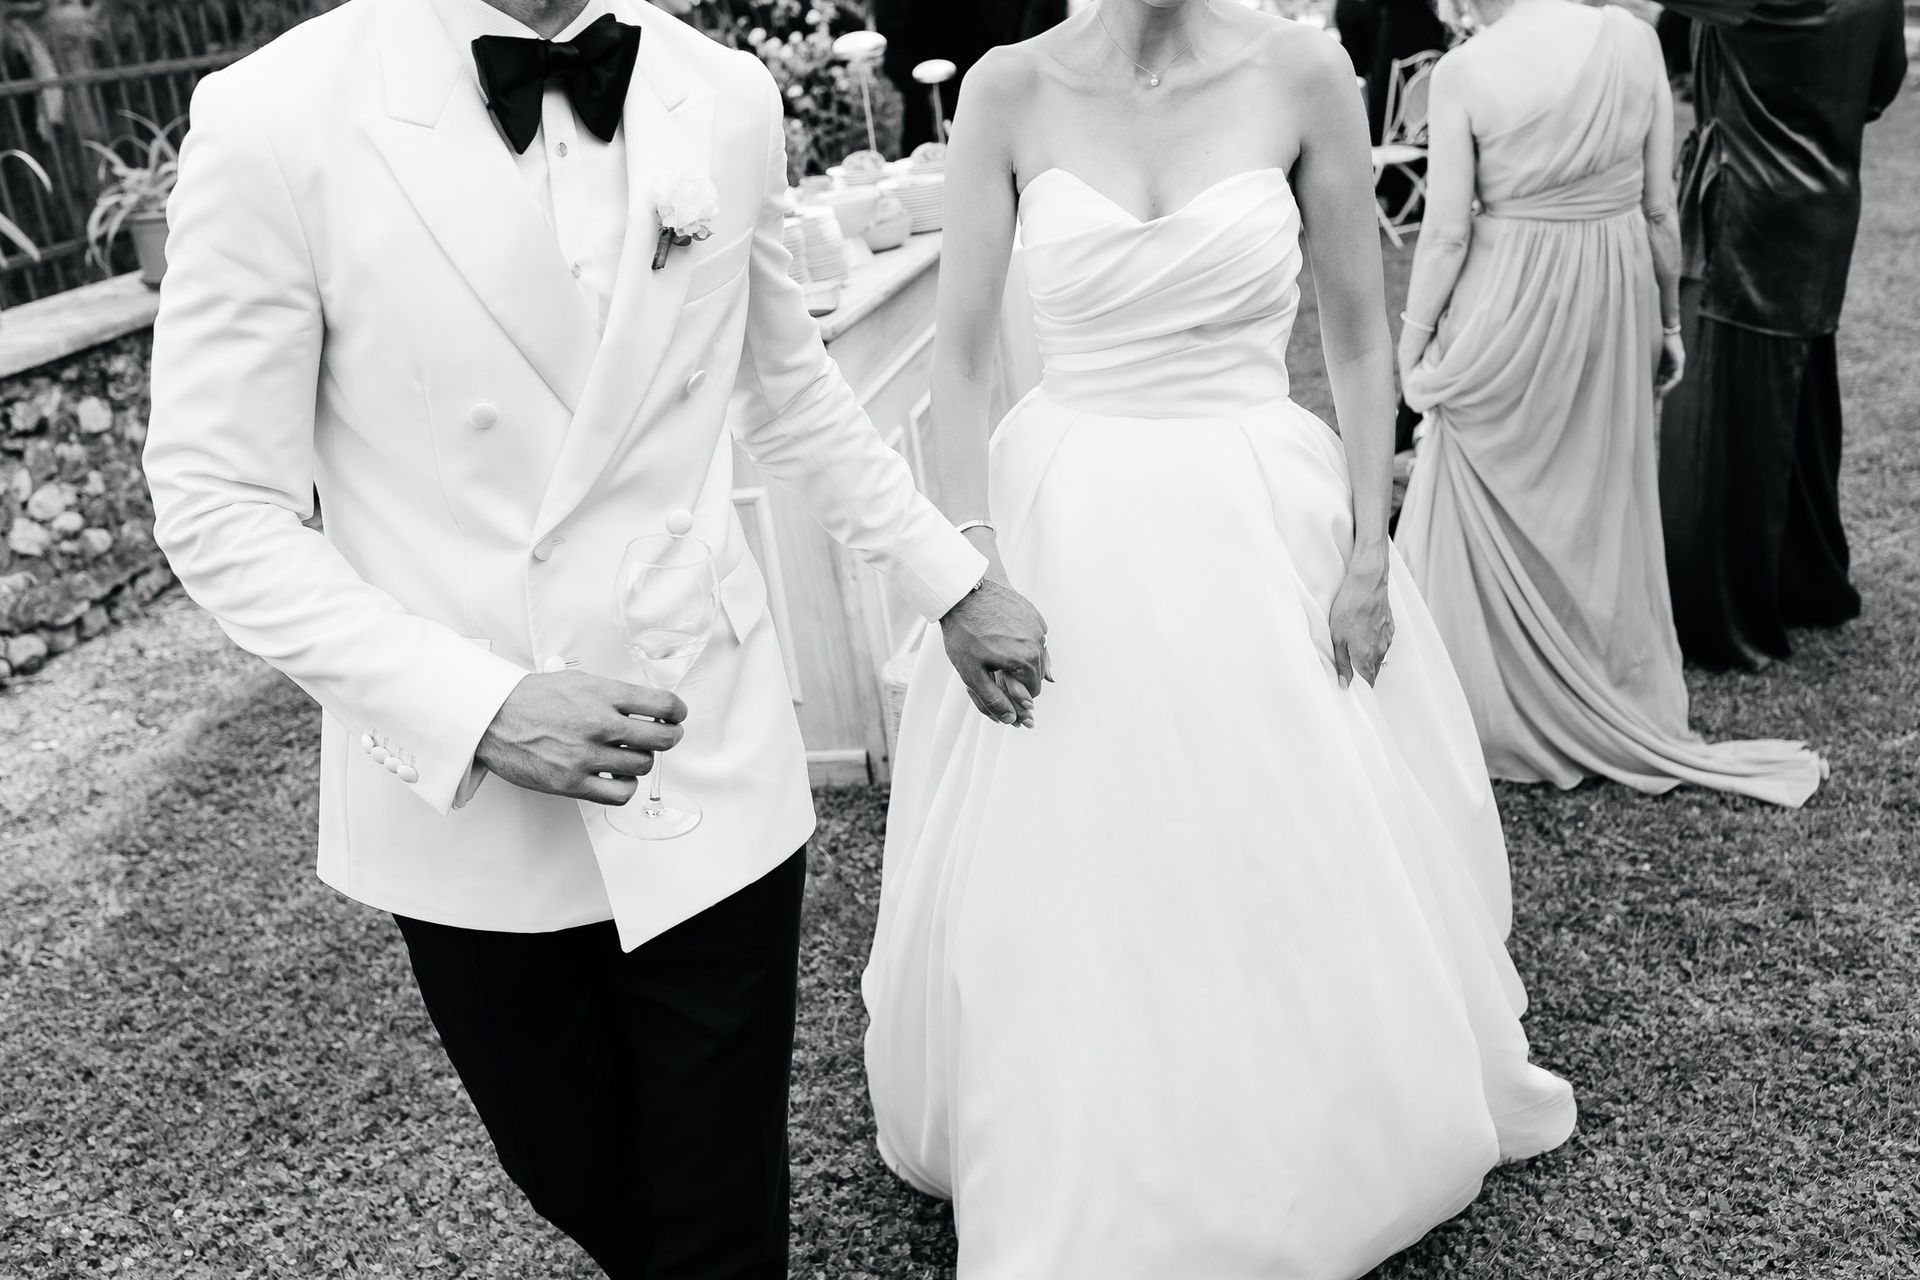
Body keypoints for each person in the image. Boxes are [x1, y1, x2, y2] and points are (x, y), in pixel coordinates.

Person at [142, 0, 1050, 1273]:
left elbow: (788, 393)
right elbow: (216, 498)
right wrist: (478, 704)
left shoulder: (723, 94)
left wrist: (951, 581)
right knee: (579, 1172)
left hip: (704, 738)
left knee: (721, 1209)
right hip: (468, 794)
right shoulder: (277, 117)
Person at [862, 2, 1576, 1275]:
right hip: (1062, 511)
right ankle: (1090, 1130)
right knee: (1079, 842)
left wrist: (1369, 547)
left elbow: (1358, 333)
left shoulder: (1302, 68)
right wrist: (972, 565)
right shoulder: (1008, 90)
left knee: (1280, 823)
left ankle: (1307, 1118)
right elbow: (958, 363)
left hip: (1260, 501)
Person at [1391, 0, 1825, 807]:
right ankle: (1596, 679)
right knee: (1597, 495)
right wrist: (1667, 320)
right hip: (1615, 286)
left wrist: (1411, 344)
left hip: (1508, 296)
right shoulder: (1631, 40)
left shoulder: (1464, 72)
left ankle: (1493, 700)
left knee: (1496, 480)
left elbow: (1446, 233)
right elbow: (1660, 207)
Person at [1654, 0, 1907, 669]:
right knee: (1797, 397)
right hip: (1824, 195)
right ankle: (1805, 578)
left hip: (1746, 205)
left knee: (1716, 412)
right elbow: (1883, 84)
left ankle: (1718, 608)